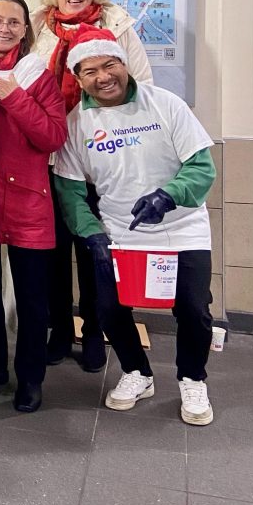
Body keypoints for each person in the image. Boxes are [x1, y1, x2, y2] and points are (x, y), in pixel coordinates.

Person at [53, 26, 216, 426]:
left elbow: (202, 167)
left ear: (124, 65)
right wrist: (89, 232)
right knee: (109, 308)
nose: (102, 77)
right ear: (78, 78)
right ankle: (138, 373)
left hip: (183, 226)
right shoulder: (77, 123)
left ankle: (192, 378)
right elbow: (70, 188)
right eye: (89, 71)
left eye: (110, 65)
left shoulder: (166, 104)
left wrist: (168, 195)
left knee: (194, 310)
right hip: (121, 233)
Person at [31, 0, 154, 371]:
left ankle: (94, 332)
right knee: (53, 250)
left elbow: (142, 85)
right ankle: (61, 330)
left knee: (94, 248)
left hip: (101, 154)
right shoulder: (37, 27)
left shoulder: (117, 26)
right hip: (48, 153)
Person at [0, 0, 67, 412]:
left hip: (29, 200)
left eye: (14, 21)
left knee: (32, 300)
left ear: (26, 30)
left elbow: (52, 137)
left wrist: (12, 95)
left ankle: (30, 377)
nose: (5, 28)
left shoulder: (38, 77)